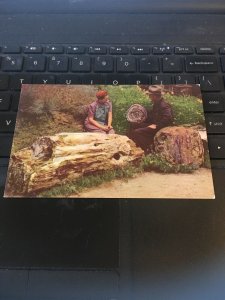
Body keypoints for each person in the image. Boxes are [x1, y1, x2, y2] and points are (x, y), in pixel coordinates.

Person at [130, 85, 173, 153]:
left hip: (160, 127)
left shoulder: (164, 105)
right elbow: (153, 116)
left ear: (154, 96)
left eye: (150, 95)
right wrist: (143, 116)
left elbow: (167, 119)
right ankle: (137, 147)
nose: (149, 97)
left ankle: (148, 149)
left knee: (137, 132)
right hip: (155, 124)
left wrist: (156, 125)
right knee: (134, 125)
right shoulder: (156, 103)